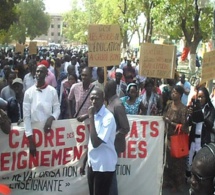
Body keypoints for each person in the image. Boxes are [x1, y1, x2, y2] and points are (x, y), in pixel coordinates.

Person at [23, 65, 60, 157]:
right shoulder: (28, 92)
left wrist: (51, 118)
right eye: (37, 71)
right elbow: (26, 117)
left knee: (49, 158)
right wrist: (30, 141)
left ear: (47, 74)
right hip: (34, 134)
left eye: (41, 72)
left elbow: (57, 109)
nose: (39, 74)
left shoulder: (52, 91)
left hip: (48, 132)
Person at [87, 87, 117, 195]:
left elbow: (96, 143)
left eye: (96, 99)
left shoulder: (108, 118)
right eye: (92, 99)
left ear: (103, 99)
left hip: (103, 165)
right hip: (92, 164)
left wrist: (90, 117)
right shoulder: (94, 115)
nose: (93, 101)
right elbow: (90, 142)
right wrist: (85, 161)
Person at [104, 80, 130, 195]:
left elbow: (125, 128)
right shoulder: (110, 103)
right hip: (109, 145)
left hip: (113, 145)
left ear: (108, 90)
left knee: (111, 174)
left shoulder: (117, 105)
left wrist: (111, 136)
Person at [163, 85, 189, 192]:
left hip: (177, 140)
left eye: (176, 92)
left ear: (181, 95)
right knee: (168, 161)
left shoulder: (183, 109)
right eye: (173, 91)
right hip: (168, 138)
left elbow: (184, 127)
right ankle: (168, 182)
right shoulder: (169, 105)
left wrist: (171, 123)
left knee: (177, 164)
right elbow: (164, 115)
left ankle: (176, 184)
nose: (173, 94)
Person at [187, 87, 215, 176]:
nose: (200, 99)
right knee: (191, 160)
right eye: (198, 97)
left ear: (206, 97)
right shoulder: (194, 107)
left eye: (202, 97)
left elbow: (209, 125)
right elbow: (189, 124)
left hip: (203, 139)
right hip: (193, 138)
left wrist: (200, 113)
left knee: (201, 162)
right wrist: (190, 115)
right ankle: (190, 177)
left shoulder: (210, 109)